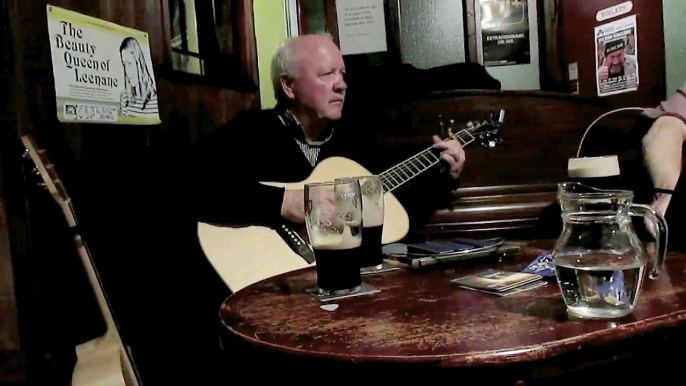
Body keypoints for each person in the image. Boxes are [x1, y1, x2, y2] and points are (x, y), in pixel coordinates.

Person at [185, 33, 466, 232]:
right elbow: (187, 186)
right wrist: (284, 202)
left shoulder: (354, 140)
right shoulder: (251, 130)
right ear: (289, 87)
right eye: (327, 74)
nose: (341, 85)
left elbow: (392, 220)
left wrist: (443, 180)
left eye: (342, 74)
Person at [119, 37, 159, 117]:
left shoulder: (154, 99)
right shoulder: (125, 98)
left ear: (139, 64)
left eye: (129, 63)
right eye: (124, 64)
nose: (127, 71)